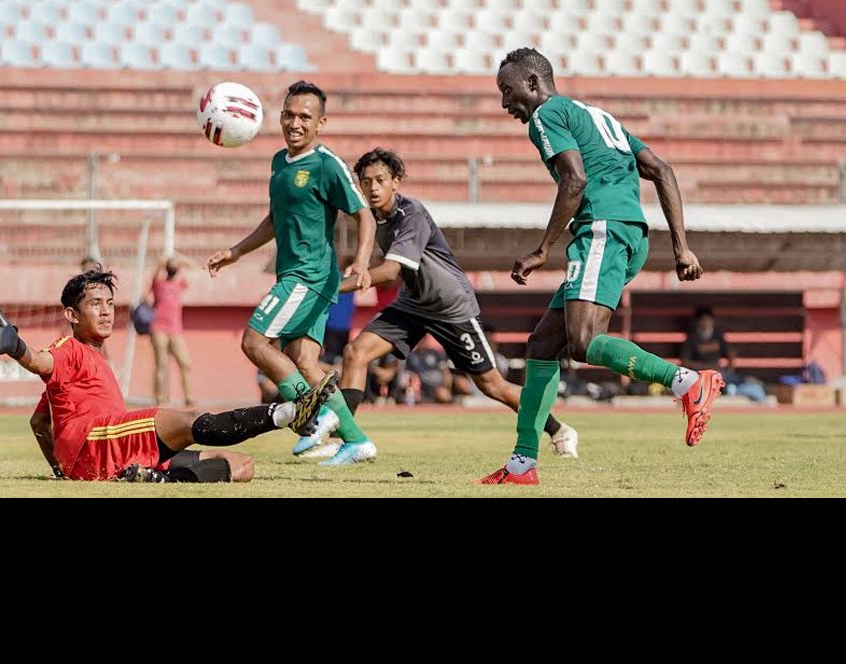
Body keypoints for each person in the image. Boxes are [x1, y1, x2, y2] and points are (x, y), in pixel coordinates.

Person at [480, 48, 724, 485]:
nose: (505, 103)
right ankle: (522, 464)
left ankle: (686, 381)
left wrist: (542, 250)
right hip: (627, 232)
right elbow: (662, 170)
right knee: (543, 345)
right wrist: (681, 248)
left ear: (533, 84)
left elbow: (575, 180)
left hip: (603, 229)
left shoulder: (546, 116)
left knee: (583, 341)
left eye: (507, 91)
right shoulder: (598, 116)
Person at [298, 147, 579, 462]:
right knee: (355, 353)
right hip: (413, 304)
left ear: (396, 182)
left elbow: (392, 271)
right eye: (366, 182)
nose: (373, 188)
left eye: (380, 180)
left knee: (492, 385)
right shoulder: (377, 217)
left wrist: (330, 287)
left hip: (451, 308)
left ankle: (559, 430)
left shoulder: (411, 214)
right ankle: (347, 441)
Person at [0, 266, 338, 483]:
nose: (106, 311)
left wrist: (62, 472)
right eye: (95, 304)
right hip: (99, 442)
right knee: (185, 418)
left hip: (111, 452)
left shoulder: (91, 358)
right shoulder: (68, 349)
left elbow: (38, 422)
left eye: (110, 303)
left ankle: (152, 479)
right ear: (72, 315)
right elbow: (38, 361)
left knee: (242, 467)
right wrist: (15, 346)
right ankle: (289, 413)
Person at [205, 80, 379, 468]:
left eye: (305, 116)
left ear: (321, 123)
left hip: (309, 276)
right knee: (303, 360)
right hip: (296, 274)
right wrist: (235, 252)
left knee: (254, 342)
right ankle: (356, 440)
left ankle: (316, 417)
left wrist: (363, 262)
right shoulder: (278, 163)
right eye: (288, 114)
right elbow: (274, 220)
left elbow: (363, 214)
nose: (294, 123)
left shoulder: (326, 163)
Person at [681, 306, 766, 402]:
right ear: (698, 322)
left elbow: (730, 352)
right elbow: (685, 362)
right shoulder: (692, 338)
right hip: (700, 375)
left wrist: (730, 368)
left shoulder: (717, 336)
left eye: (708, 319)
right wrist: (706, 367)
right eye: (703, 320)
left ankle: (748, 388)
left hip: (719, 373)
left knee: (743, 380)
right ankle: (729, 390)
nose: (706, 322)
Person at [146, 253, 197, 407]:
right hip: (158, 328)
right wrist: (166, 259)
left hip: (175, 330)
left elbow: (193, 266)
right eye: (172, 265)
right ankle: (160, 401)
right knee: (161, 365)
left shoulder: (180, 284)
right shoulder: (158, 284)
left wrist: (180, 259)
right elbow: (157, 267)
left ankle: (189, 399)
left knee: (185, 364)